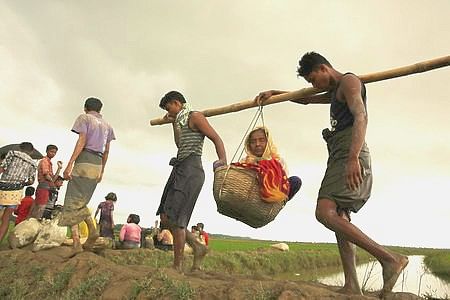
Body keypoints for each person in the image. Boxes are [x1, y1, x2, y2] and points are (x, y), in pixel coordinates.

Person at [255, 51, 408, 296]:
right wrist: (276, 93)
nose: (313, 86)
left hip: (349, 152)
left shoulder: (349, 82)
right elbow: (305, 100)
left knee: (324, 212)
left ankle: (390, 259)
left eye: (313, 80)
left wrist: (353, 158)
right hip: (339, 152)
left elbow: (361, 116)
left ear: (323, 68)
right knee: (339, 217)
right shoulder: (335, 91)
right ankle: (352, 284)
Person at [156, 90, 227, 272]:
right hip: (180, 168)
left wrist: (222, 161)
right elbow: (180, 144)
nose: (168, 111)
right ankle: (197, 247)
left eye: (168, 107)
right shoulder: (180, 120)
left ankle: (177, 266)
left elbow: (216, 138)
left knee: (179, 219)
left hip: (191, 170)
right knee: (166, 216)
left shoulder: (195, 116)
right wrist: (173, 123)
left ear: (177, 103)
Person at [58, 97, 116, 256]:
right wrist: (102, 171)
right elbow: (107, 151)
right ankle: (91, 231)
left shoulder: (84, 118)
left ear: (85, 108)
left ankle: (77, 241)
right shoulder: (108, 126)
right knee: (81, 201)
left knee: (71, 202)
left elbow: (81, 140)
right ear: (100, 110)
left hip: (84, 160)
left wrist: (70, 163)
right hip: (97, 164)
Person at [240, 126, 302, 202]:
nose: (257, 144)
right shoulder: (245, 162)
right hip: (251, 198)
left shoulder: (278, 161)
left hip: (273, 196)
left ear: (268, 142)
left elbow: (283, 183)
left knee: (295, 181)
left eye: (262, 140)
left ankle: (275, 205)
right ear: (249, 145)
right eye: (253, 142)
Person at [0, 142, 37, 242]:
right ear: (32, 151)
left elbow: (2, 168)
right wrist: (21, 183)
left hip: (3, 188)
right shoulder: (33, 163)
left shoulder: (12, 153)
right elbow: (31, 181)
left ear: (20, 148)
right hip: (16, 192)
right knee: (6, 219)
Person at [30, 145, 62, 219]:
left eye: (55, 152)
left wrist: (59, 168)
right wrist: (53, 185)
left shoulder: (49, 163)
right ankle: (33, 224)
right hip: (44, 186)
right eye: (51, 151)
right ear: (47, 151)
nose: (53, 154)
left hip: (47, 187)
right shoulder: (44, 161)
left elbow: (53, 179)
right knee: (40, 208)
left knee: (40, 208)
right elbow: (47, 176)